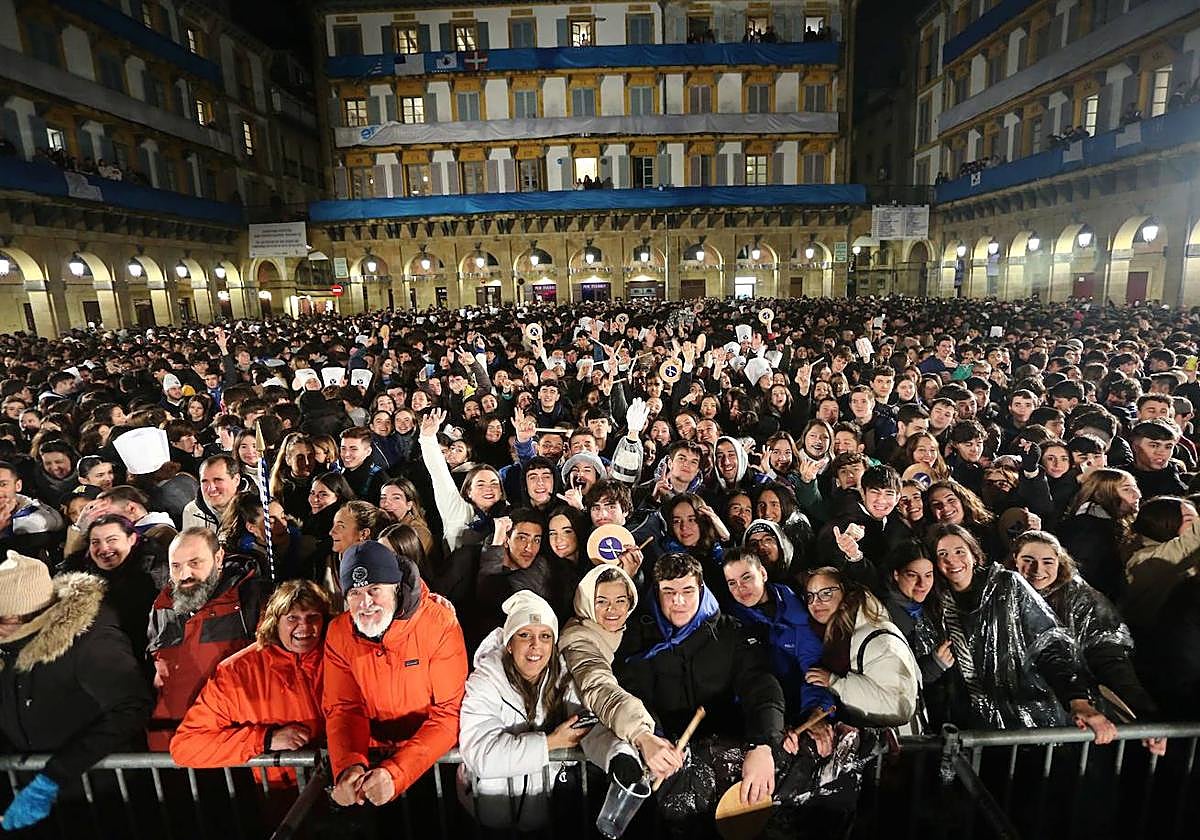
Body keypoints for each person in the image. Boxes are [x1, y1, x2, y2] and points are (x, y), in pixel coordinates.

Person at [614, 552, 786, 823]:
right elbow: (632, 696)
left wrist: (764, 744)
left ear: (701, 589)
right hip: (665, 762)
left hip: (727, 758)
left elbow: (761, 684)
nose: (678, 601)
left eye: (687, 590)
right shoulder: (636, 638)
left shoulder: (730, 632)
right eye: (668, 591)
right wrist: (651, 740)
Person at [457, 590, 633, 830]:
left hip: (541, 815)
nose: (535, 646)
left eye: (545, 636)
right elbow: (481, 753)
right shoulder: (484, 681)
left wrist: (619, 755)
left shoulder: (563, 678)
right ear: (509, 644)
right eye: (524, 635)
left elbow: (588, 727)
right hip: (487, 816)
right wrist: (550, 743)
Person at [0, 552, 151, 830]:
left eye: (3, 623)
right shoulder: (11, 648)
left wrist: (54, 776)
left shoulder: (92, 643)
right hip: (37, 796)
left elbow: (131, 707)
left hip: (100, 798)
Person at [924, 523, 1115, 735]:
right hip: (970, 727)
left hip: (1029, 719)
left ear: (974, 554)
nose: (952, 560)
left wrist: (1077, 700)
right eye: (943, 554)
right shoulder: (934, 603)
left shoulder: (1007, 585)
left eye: (960, 551)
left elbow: (1048, 644)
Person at [324, 541, 468, 808]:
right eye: (354, 593)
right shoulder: (339, 632)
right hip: (372, 760)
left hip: (433, 759)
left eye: (374, 589)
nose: (365, 603)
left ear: (396, 588)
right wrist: (349, 765)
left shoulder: (438, 624)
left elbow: (449, 712)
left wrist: (398, 771)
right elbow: (343, 708)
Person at [1009, 531, 1161, 747]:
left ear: (1060, 562)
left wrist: (1142, 712)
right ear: (1015, 559)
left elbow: (1109, 659)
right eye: (1028, 560)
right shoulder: (1003, 594)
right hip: (1014, 713)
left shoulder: (1083, 601)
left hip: (1076, 718)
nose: (1038, 570)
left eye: (1047, 561)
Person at [170, 580, 332, 767]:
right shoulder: (237, 672)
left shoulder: (342, 656)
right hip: (282, 791)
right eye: (292, 618)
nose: (304, 626)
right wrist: (265, 740)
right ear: (275, 622)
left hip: (353, 784)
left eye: (313, 617)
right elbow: (186, 747)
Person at [146, 527, 268, 749]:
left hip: (230, 746)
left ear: (218, 557)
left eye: (195, 563)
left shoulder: (251, 598)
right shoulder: (162, 608)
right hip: (170, 753)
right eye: (176, 566)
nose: (184, 575)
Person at [722, 548, 837, 723]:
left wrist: (814, 714)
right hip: (755, 715)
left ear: (763, 573)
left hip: (800, 706)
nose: (740, 588)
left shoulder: (796, 611)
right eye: (732, 583)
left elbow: (813, 669)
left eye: (747, 577)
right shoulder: (729, 622)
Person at [801, 565, 920, 728]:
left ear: (845, 592)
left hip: (897, 746)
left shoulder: (879, 638)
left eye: (826, 593)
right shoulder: (830, 636)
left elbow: (898, 706)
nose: (816, 602)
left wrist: (836, 683)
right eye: (810, 596)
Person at [61, 513, 162, 656]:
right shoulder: (77, 572)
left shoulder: (154, 573)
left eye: (112, 540)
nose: (104, 549)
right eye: (95, 542)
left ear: (131, 539)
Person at [1059, 467, 1141, 601]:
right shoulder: (1087, 530)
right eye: (1127, 489)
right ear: (1101, 494)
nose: (1137, 495)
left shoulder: (1109, 525)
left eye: (1135, 487)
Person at [1123, 495, 1200, 634]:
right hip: (1156, 641)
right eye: (1189, 520)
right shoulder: (1146, 558)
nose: (1195, 523)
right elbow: (1188, 544)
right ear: (1162, 522)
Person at [183, 454, 241, 532]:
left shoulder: (251, 508)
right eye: (205, 481)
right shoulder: (191, 511)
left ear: (236, 480)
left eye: (218, 480)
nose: (211, 488)